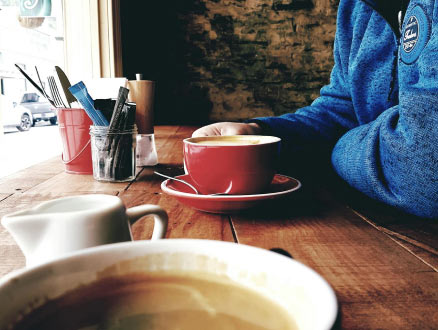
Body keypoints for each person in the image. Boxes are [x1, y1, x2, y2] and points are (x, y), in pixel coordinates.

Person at [192, 0, 438, 219]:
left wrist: (338, 148)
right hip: (373, 228)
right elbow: (344, 109)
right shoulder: (356, 6)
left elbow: (422, 172)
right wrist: (261, 133)